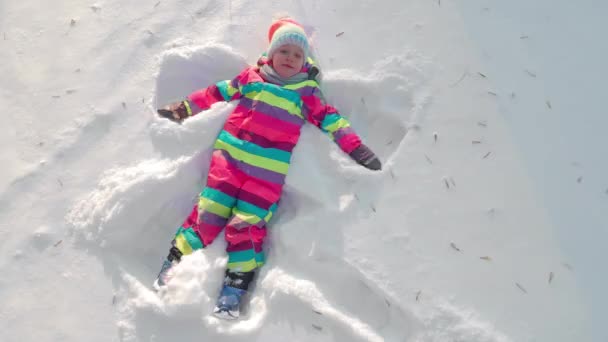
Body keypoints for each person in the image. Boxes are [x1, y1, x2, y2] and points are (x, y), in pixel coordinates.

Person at [154, 17, 381, 319]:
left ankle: (232, 295)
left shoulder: (307, 94)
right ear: (272, 54)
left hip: (266, 175)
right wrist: (184, 108)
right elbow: (216, 92)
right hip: (228, 162)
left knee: (247, 226)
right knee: (208, 212)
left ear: (305, 62)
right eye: (284, 51)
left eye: (297, 54)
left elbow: (332, 121)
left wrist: (357, 148)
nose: (289, 58)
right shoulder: (252, 78)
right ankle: (173, 266)